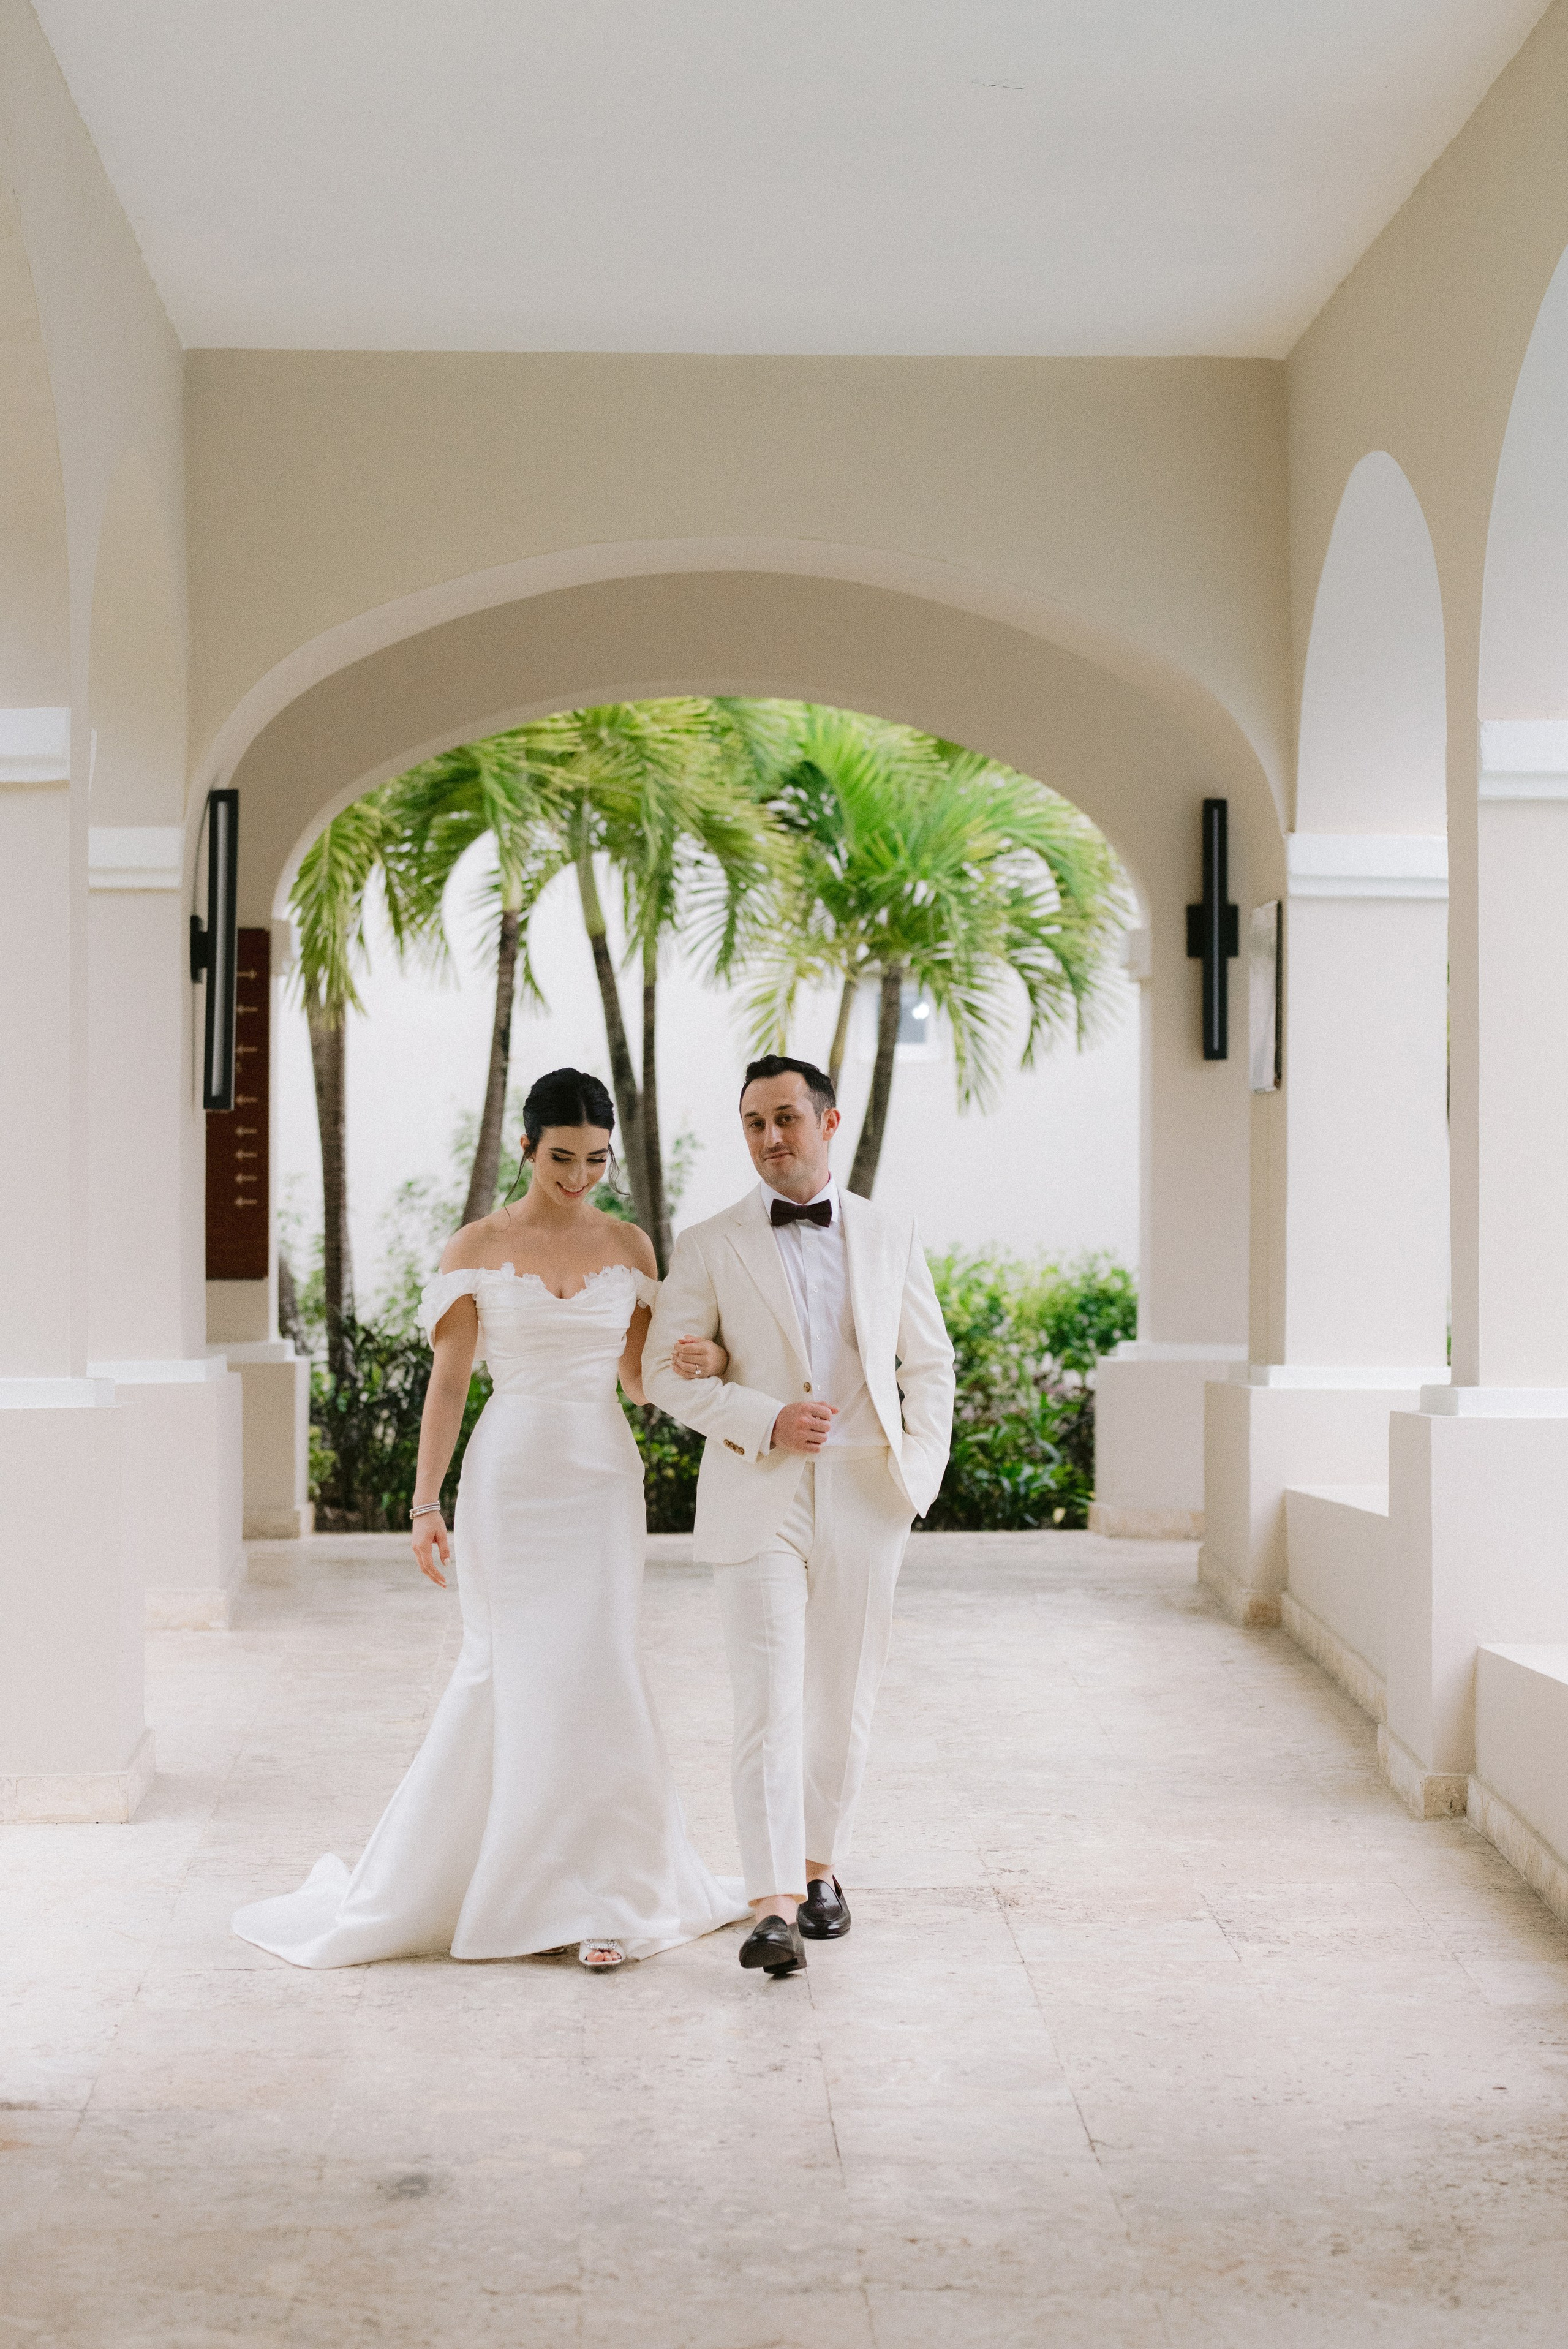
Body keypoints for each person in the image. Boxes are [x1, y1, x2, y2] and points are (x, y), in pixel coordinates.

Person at [232, 1067, 748, 1974]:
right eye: (562, 1158)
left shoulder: (631, 1246)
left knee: (601, 1668)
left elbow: (638, 1381)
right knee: (506, 1669)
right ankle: (502, 1885)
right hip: (510, 1481)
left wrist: (705, 1360)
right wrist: (426, 1501)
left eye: (595, 1159)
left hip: (600, 1483)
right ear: (526, 1147)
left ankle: (607, 1898)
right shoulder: (475, 1245)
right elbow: (450, 1382)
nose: (580, 1175)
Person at [644, 1054, 956, 1980]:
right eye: (752, 1123)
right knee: (765, 1702)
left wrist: (918, 1478)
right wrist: (762, 1416)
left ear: (828, 1123)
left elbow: (928, 1365)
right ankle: (772, 1903)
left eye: (785, 1118)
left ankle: (821, 1870)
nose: (770, 1138)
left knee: (841, 1700)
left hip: (867, 1491)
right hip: (757, 1490)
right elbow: (664, 1371)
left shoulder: (890, 1232)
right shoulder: (706, 1243)